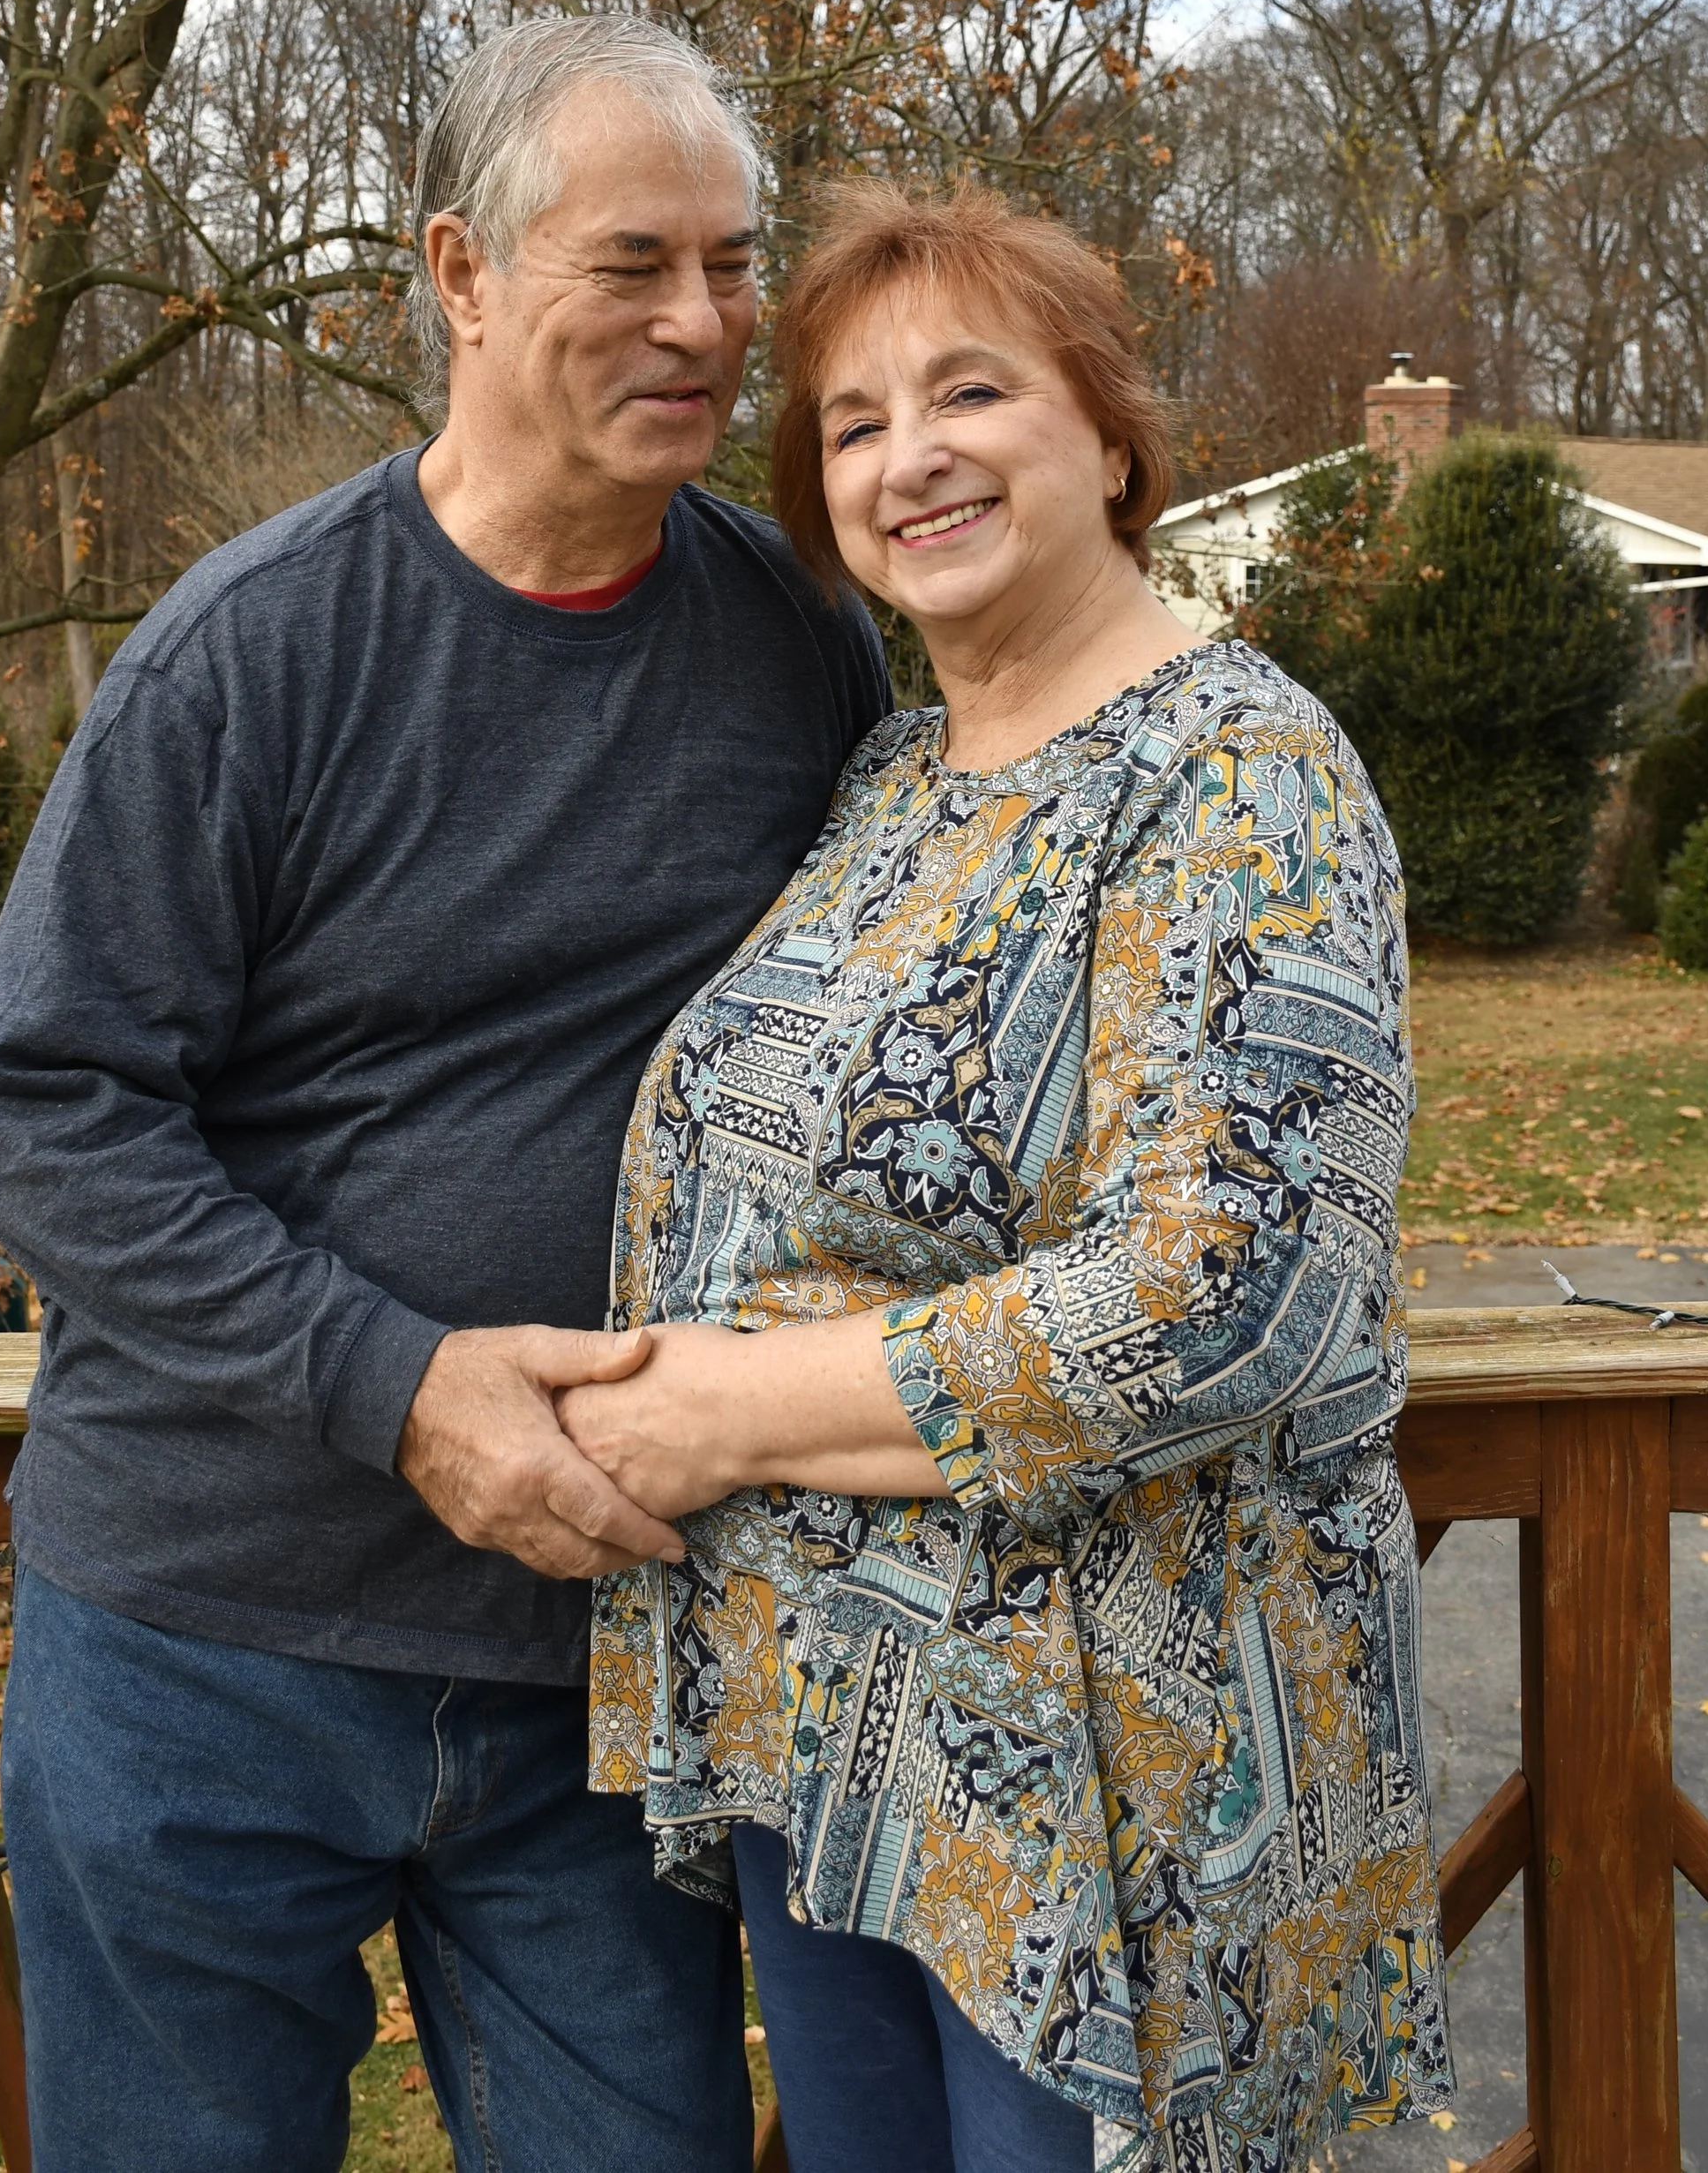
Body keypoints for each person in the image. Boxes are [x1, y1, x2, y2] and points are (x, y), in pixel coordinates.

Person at [0, 14, 891, 2173]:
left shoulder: (793, 641)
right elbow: (47, 1108)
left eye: (735, 267)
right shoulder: (253, 654)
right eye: (633, 263)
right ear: (461, 274)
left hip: (606, 1660)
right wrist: (395, 1383)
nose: (703, 325)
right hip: (205, 1637)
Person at [572, 180, 1454, 2173]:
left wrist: (720, 1412)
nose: (909, 458)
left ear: (1111, 434)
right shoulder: (889, 777)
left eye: (967, 392)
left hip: (1118, 1763)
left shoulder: (1238, 772)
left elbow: (1219, 1292)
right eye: (854, 424)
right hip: (842, 1742)